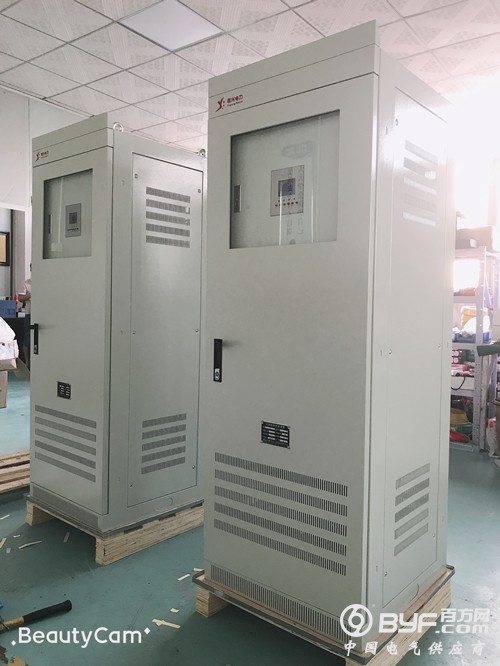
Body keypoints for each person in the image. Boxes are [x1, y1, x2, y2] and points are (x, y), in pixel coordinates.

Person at [17, 268, 31, 369]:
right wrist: (29, 295)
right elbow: (20, 298)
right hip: (30, 313)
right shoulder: (26, 283)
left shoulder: (45, 281)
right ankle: (27, 362)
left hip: (44, 313)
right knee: (27, 339)